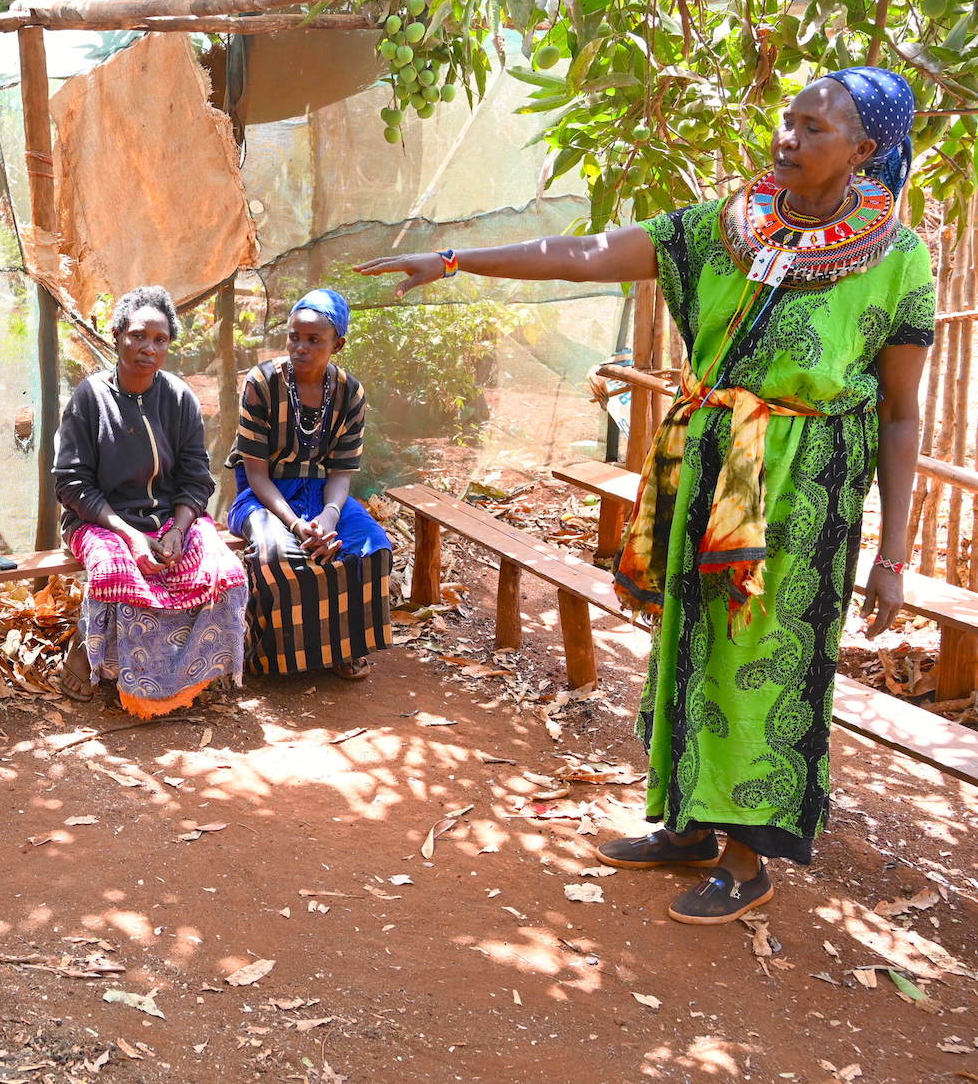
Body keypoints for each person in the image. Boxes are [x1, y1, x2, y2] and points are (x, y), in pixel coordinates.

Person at [355, 68, 933, 924]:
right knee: (689, 642)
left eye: (814, 130)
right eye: (786, 120)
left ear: (864, 149)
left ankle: (747, 862)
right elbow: (588, 252)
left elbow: (899, 413)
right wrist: (452, 260)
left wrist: (891, 556)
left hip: (801, 494)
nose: (787, 139)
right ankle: (689, 828)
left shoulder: (896, 258)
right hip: (707, 470)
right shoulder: (726, 225)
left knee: (760, 666)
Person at [54, 285, 249, 717]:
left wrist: (178, 530)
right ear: (117, 334)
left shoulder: (178, 398)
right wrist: (128, 536)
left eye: (159, 340)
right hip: (101, 521)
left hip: (170, 519)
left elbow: (197, 479)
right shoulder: (90, 398)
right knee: (114, 573)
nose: (148, 348)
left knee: (226, 572)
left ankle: (185, 672)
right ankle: (92, 652)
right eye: (139, 335)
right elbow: (71, 483)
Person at [227, 289, 392, 678]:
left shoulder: (351, 392)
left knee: (369, 549)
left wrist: (329, 518)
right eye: (293, 337)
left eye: (313, 340)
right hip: (265, 495)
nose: (299, 347)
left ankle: (344, 649)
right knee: (277, 555)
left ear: (338, 344)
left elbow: (340, 473)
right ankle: (274, 660)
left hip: (322, 492)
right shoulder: (262, 383)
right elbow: (256, 474)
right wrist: (299, 525)